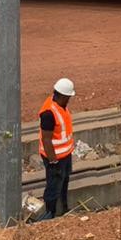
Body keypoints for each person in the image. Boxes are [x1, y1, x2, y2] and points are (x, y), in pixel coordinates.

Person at [36, 77, 76, 221]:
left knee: (64, 181)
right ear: (63, 96)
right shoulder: (48, 113)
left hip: (65, 154)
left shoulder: (60, 105)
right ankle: (49, 213)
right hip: (55, 158)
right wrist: (53, 162)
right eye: (68, 97)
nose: (69, 100)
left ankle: (64, 208)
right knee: (53, 185)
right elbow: (47, 140)